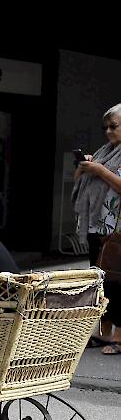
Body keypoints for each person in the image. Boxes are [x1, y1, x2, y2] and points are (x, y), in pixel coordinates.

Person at [72, 103, 121, 354]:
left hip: (117, 228)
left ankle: (119, 336)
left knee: (117, 281)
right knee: (100, 282)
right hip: (97, 225)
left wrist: (100, 170)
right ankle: (103, 332)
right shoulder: (104, 152)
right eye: (106, 128)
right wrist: (85, 166)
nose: (109, 132)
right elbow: (79, 183)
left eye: (114, 126)